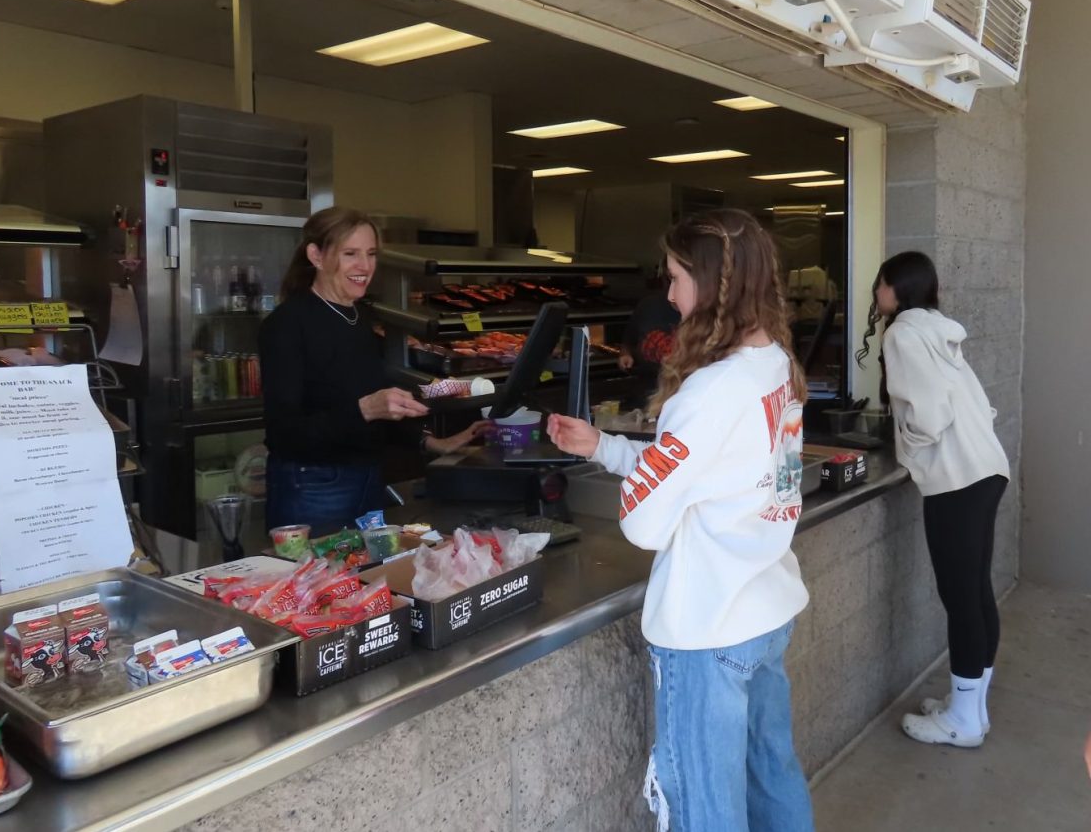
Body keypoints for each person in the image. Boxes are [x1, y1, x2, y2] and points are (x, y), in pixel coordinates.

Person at [548, 209, 814, 832]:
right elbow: (711, 470)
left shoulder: (709, 390)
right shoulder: (774, 364)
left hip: (709, 632)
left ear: (715, 281)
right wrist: (604, 447)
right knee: (773, 774)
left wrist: (642, 483)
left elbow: (643, 522)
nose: (668, 293)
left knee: (704, 808)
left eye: (675, 276)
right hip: (766, 609)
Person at [857, 251, 1010, 748]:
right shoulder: (938, 329)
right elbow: (972, 404)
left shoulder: (902, 333)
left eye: (880, 284)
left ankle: (963, 722)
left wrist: (913, 454)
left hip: (956, 478)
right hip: (985, 467)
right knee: (976, 591)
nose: (876, 293)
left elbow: (928, 415)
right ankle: (972, 709)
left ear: (895, 288)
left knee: (961, 597)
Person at [260, 206, 486, 534]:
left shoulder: (359, 319)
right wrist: (364, 409)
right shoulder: (286, 326)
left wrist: (429, 441)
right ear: (316, 256)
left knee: (364, 579)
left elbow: (378, 405)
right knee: (319, 584)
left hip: (366, 476)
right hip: (312, 487)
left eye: (371, 254)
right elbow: (285, 435)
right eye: (350, 253)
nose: (364, 267)